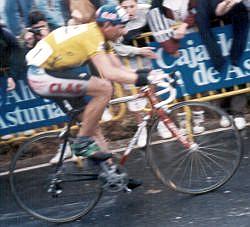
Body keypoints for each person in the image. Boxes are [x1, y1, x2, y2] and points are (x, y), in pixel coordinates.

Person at [26, 5, 157, 189]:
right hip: (40, 76)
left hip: (52, 73)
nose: (124, 30)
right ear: (109, 25)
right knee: (104, 88)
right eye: (121, 26)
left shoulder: (102, 38)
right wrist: (144, 78)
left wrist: (149, 74)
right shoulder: (92, 35)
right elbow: (109, 73)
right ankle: (80, 145)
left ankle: (113, 175)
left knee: (91, 124)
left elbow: (120, 69)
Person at [196, 0, 249, 130]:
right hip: (214, 31)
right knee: (220, 73)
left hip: (234, 27)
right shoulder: (203, 5)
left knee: (237, 71)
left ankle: (238, 113)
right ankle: (225, 112)